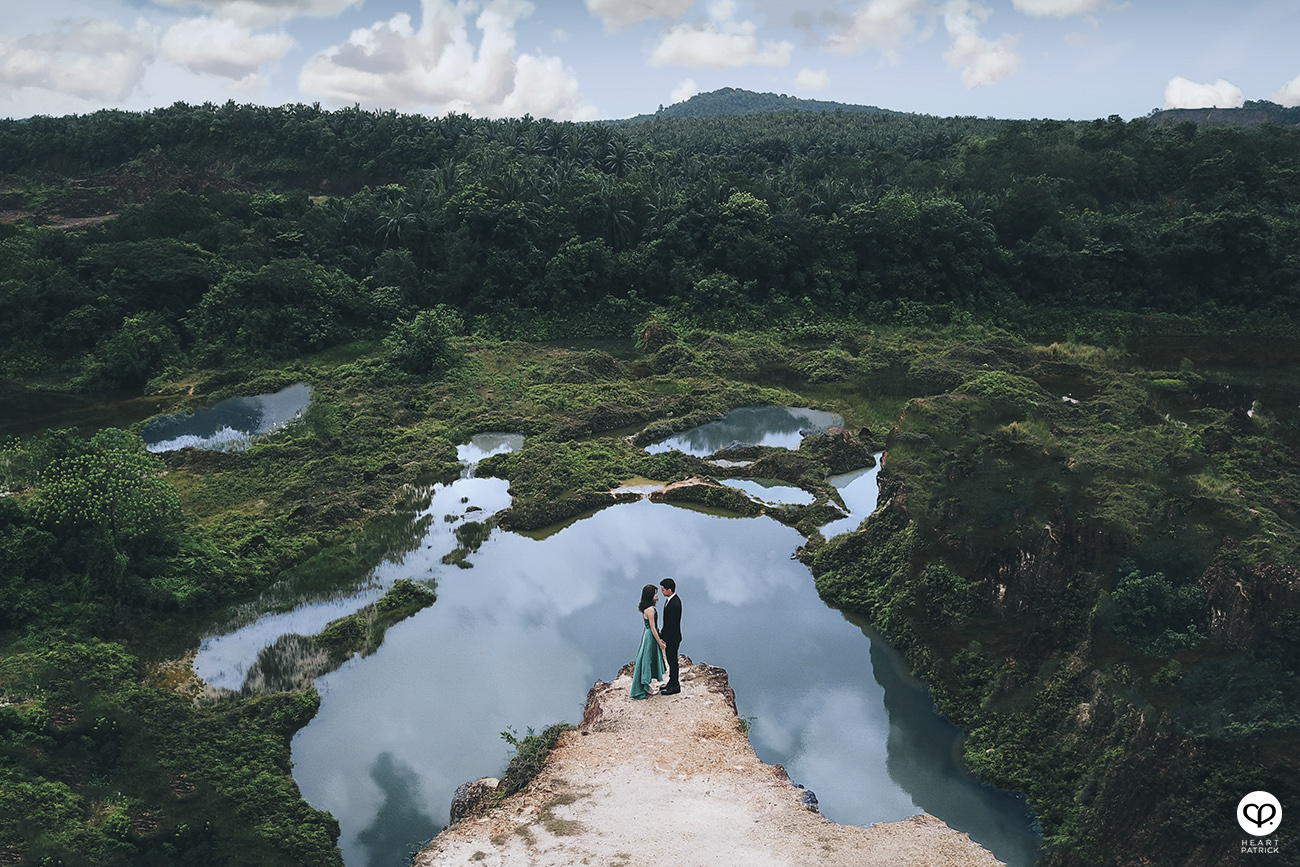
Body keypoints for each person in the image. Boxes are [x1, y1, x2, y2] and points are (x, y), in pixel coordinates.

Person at [630, 583, 666, 699]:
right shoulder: (650, 610)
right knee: (647, 659)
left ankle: (646, 686)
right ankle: (646, 687)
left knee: (645, 658)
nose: (657, 595)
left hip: (647, 634)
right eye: (655, 593)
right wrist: (660, 642)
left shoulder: (646, 608)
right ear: (650, 596)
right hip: (650, 636)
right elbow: (653, 628)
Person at [659, 577, 682, 695]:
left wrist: (664, 639)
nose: (661, 592)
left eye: (663, 590)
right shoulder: (670, 600)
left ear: (669, 590)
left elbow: (671, 625)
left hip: (673, 638)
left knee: (673, 661)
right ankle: (671, 681)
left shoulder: (675, 604)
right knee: (670, 660)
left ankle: (675, 685)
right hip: (671, 636)